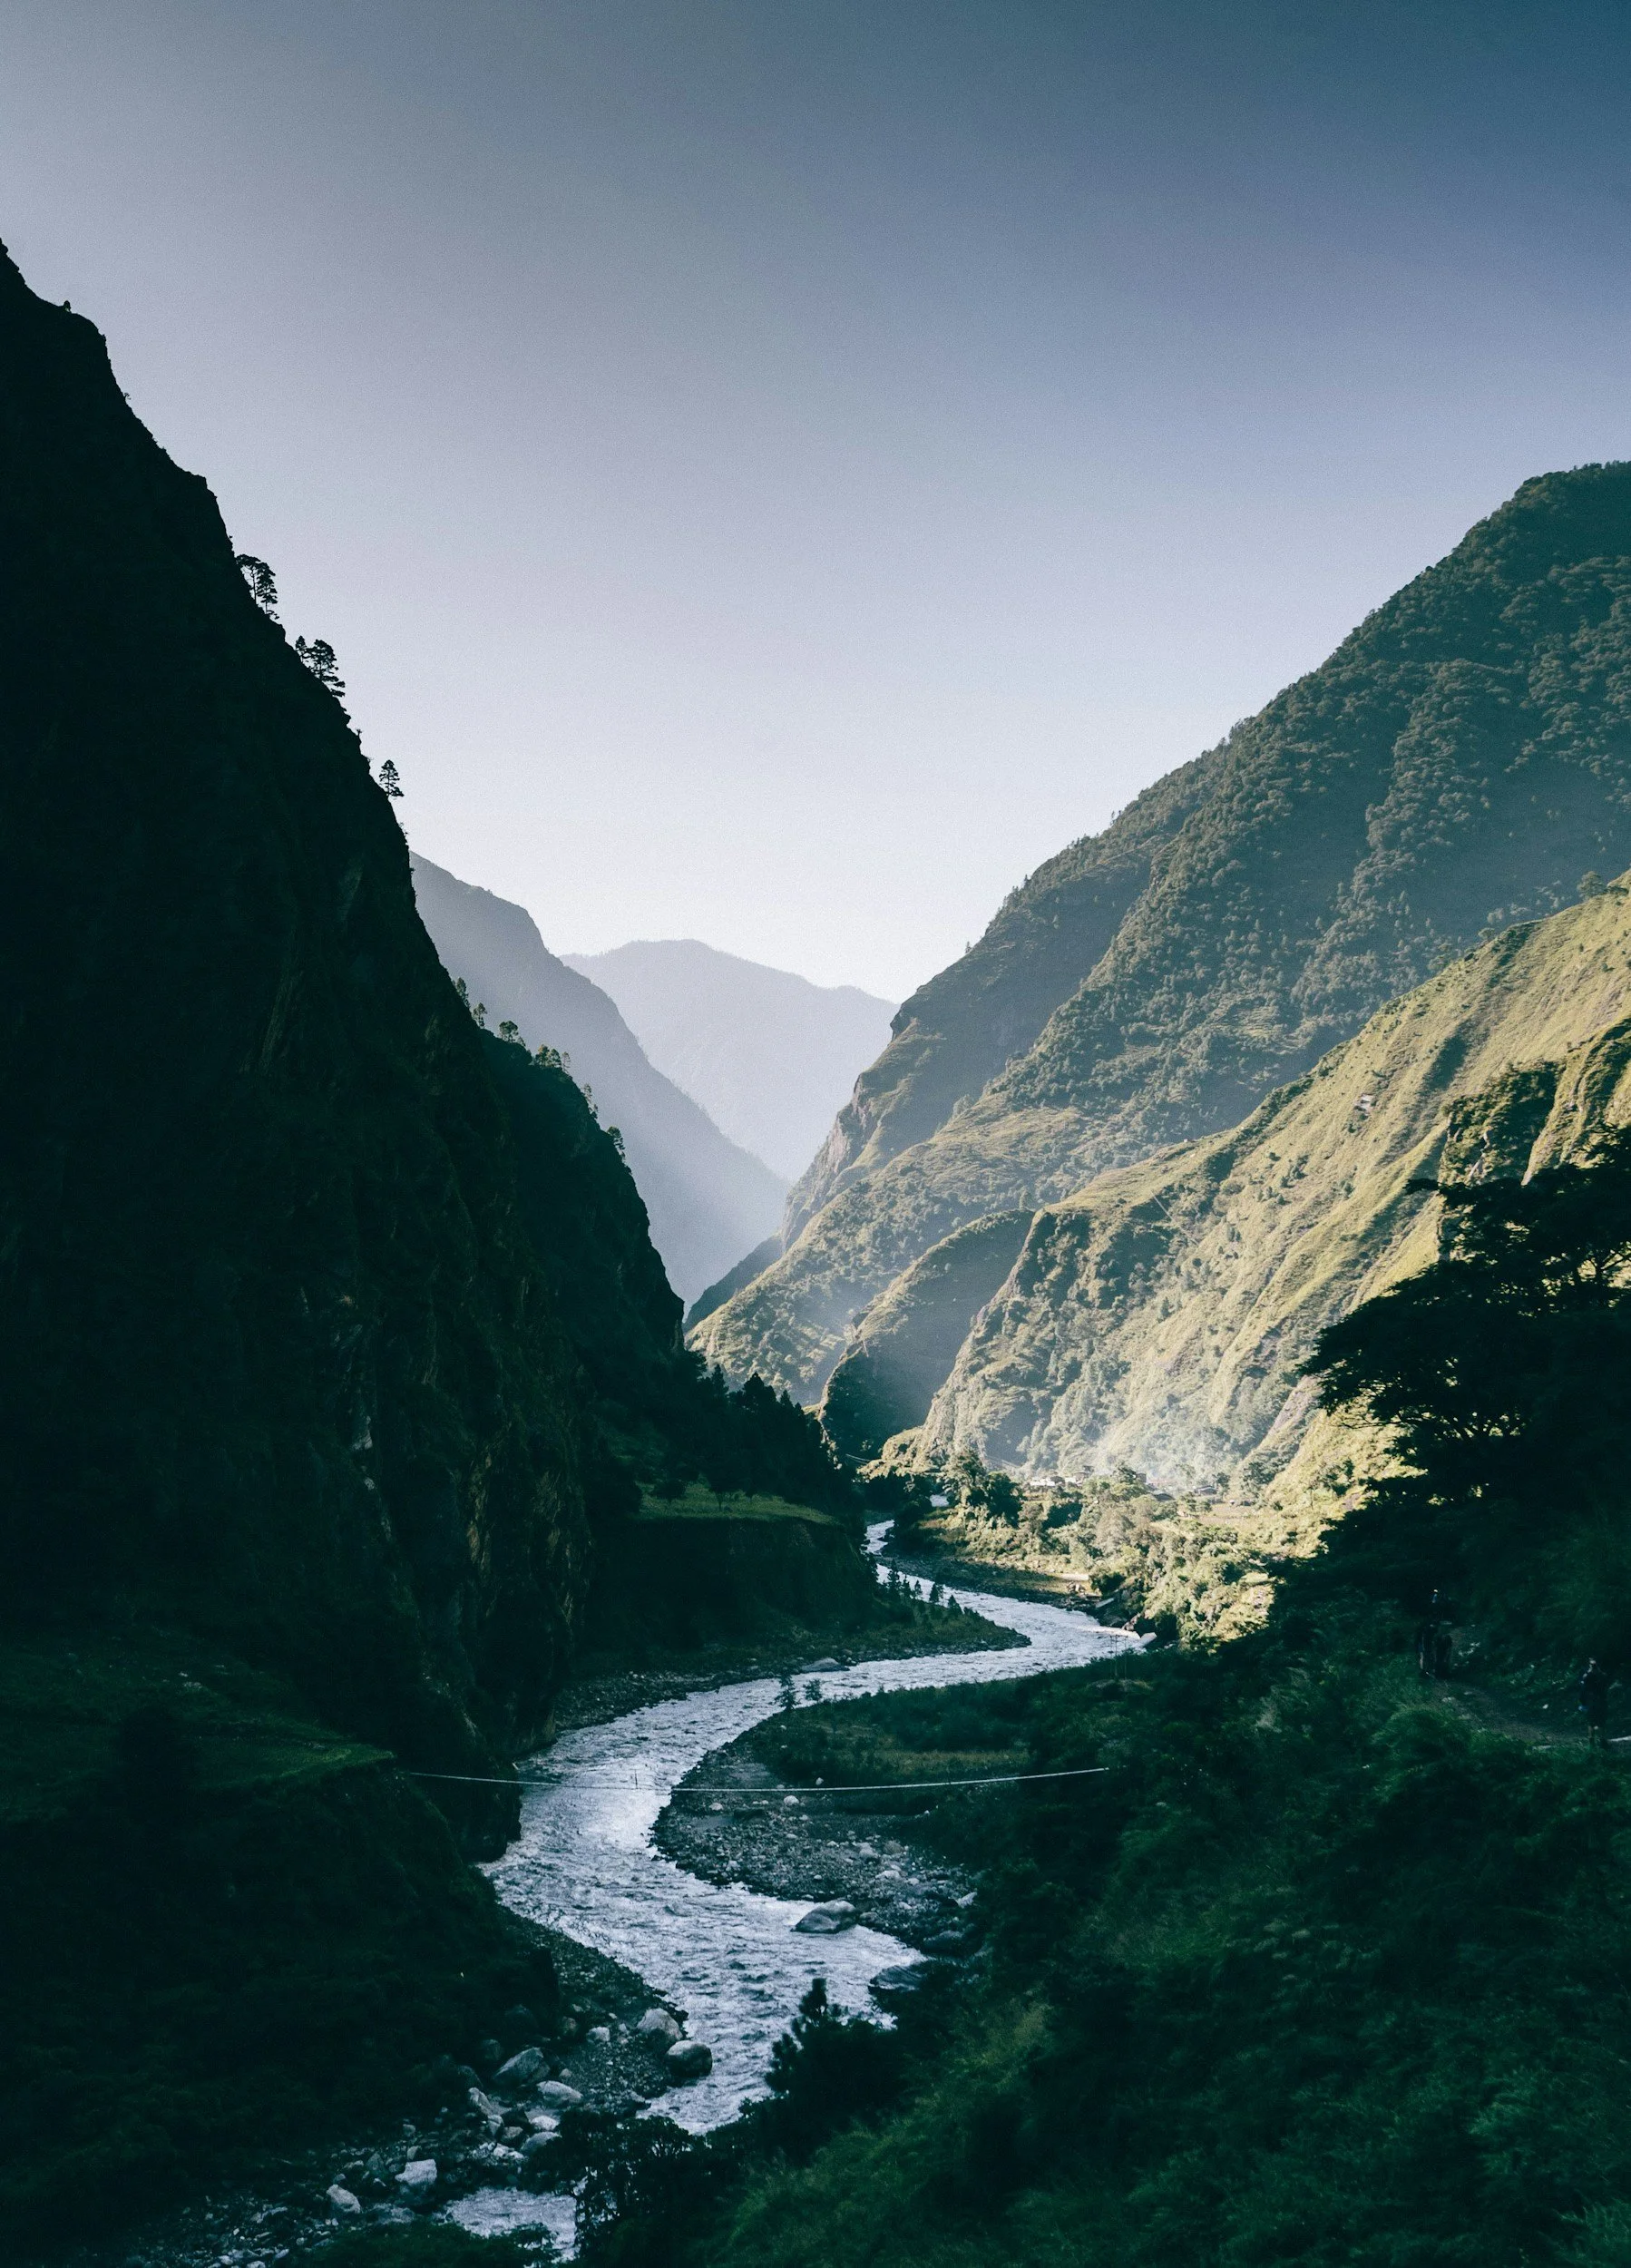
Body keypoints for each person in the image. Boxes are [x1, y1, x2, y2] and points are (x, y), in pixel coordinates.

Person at [1578, 1658, 1611, 1747]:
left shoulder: (1587, 1676)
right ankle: (1601, 1741)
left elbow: (1583, 1690)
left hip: (1592, 1701)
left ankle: (1593, 1742)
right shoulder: (1602, 1675)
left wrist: (1582, 1702)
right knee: (1600, 1721)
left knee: (1592, 1722)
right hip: (1600, 1701)